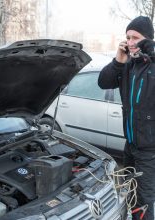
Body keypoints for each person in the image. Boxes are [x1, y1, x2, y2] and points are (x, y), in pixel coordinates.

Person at [98, 16, 155, 220]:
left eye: (136, 37)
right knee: (130, 193)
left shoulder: (151, 66)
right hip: (130, 146)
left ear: (147, 39)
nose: (130, 42)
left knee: (144, 202)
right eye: (128, 37)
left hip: (149, 150)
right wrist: (118, 61)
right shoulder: (128, 66)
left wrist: (150, 48)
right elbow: (103, 82)